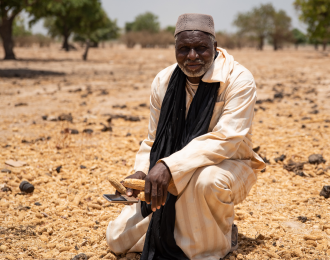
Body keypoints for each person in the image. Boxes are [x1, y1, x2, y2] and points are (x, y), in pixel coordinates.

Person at [106, 13, 265, 260]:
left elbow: (226, 139)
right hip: (173, 167)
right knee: (117, 240)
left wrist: (169, 167)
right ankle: (188, 228)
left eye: (201, 48)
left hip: (229, 165)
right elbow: (153, 140)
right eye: (184, 49)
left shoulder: (238, 80)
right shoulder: (164, 81)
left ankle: (220, 243)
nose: (192, 57)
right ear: (175, 50)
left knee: (205, 181)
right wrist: (141, 171)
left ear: (215, 45)